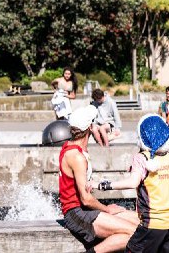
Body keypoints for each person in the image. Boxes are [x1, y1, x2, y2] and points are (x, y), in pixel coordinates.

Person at [59, 104, 138, 253]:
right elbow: (86, 199)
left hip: (83, 210)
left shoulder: (71, 147)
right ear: (90, 127)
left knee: (140, 221)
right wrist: (108, 209)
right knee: (135, 233)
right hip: (77, 213)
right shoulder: (76, 156)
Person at [98, 114, 169, 253]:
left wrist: (103, 185)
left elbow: (133, 182)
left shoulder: (141, 158)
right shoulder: (168, 156)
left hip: (152, 225)